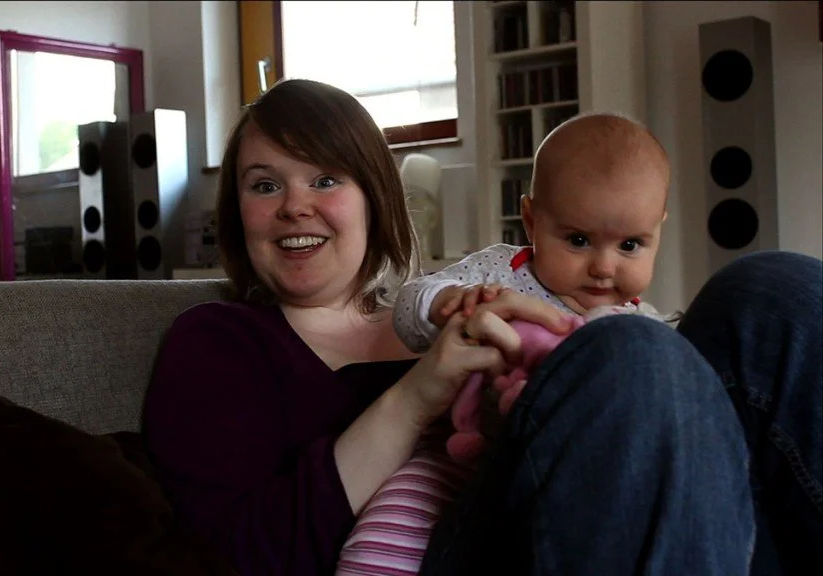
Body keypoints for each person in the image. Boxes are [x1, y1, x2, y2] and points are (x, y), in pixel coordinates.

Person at [141, 78, 822, 576]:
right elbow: (240, 554)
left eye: (325, 180)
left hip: (680, 522)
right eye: (265, 185)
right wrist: (420, 394)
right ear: (237, 211)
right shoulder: (219, 341)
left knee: (772, 289)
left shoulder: (459, 299)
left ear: (374, 197)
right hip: (473, 544)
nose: (294, 205)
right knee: (627, 347)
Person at [395, 112, 674, 464]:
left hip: (575, 466)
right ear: (531, 221)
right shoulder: (500, 272)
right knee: (405, 490)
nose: (603, 268)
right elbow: (405, 311)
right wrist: (446, 301)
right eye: (578, 240)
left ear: (658, 230)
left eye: (630, 245)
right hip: (461, 457)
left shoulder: (641, 327)